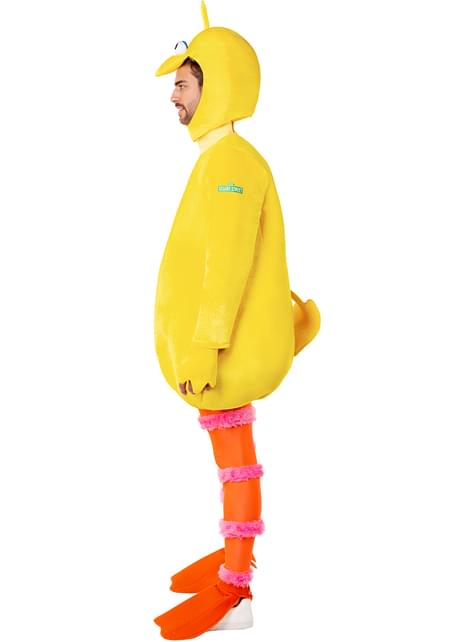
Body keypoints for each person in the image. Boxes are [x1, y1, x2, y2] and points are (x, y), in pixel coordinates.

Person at [152, 3, 320, 639]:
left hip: (222, 356)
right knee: (231, 461)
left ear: (216, 85)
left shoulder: (230, 164)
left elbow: (226, 266)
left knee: (236, 462)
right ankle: (232, 555)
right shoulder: (223, 160)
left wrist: (203, 347)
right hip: (223, 349)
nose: (173, 97)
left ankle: (236, 588)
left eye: (184, 84)